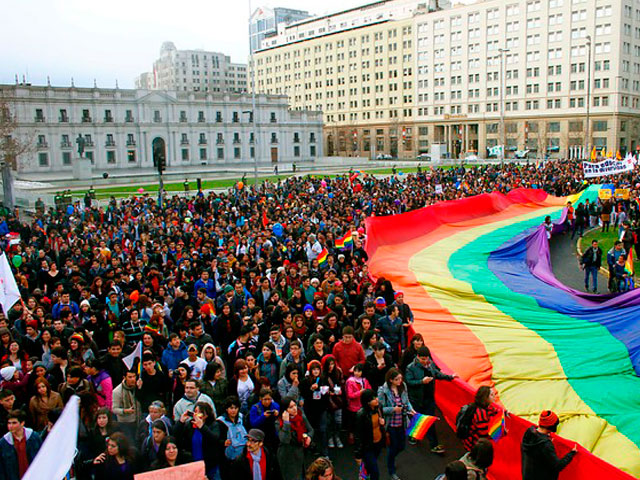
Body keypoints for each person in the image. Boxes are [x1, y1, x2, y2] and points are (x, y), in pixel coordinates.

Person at [405, 346, 456, 452]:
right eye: (422, 359)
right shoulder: (411, 367)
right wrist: (421, 382)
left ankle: (434, 445)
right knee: (417, 419)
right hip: (417, 399)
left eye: (426, 359)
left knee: (431, 421)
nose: (425, 361)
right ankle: (413, 436)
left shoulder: (431, 364)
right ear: (417, 357)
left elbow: (437, 374)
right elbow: (409, 382)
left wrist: (450, 377)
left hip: (429, 398)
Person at [378, 368, 416, 480]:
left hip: (402, 422)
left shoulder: (403, 386)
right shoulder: (383, 391)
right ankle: (391, 469)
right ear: (390, 380)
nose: (400, 381)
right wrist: (393, 409)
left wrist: (411, 409)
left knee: (401, 446)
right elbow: (381, 409)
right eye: (397, 379)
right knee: (393, 447)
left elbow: (406, 401)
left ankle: (391, 459)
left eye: (400, 378)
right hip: (391, 425)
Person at [521, 410, 577, 480]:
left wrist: (546, 438)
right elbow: (558, 466)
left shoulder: (529, 432)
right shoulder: (546, 445)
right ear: (552, 427)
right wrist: (572, 453)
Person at [277, 396, 313, 480]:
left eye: (295, 405)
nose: (294, 408)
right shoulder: (279, 422)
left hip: (300, 453)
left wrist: (309, 437)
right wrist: (286, 422)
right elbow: (285, 440)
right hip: (288, 455)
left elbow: (310, 430)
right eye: (290, 407)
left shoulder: (300, 416)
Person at [0, 409, 43, 480]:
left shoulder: (34, 437)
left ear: (22, 423)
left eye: (14, 423)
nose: (10, 426)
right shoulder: (4, 443)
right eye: (9, 423)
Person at [354, 389, 385, 480]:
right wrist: (358, 455)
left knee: (370, 465)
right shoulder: (361, 415)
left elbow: (381, 423)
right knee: (375, 472)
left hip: (378, 443)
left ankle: (364, 474)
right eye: (373, 399)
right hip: (368, 446)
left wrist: (382, 423)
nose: (376, 399)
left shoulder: (379, 408)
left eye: (376, 397)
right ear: (367, 402)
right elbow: (358, 436)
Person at [462, 386, 503, 451]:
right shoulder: (481, 414)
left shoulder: (486, 406)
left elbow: (495, 411)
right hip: (474, 445)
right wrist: (501, 433)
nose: (494, 396)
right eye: (491, 395)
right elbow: (484, 434)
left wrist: (504, 412)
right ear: (485, 398)